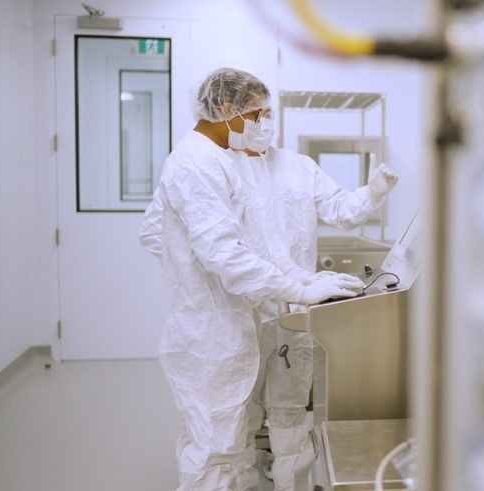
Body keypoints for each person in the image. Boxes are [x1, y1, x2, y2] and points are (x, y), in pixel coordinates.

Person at [140, 67, 398, 490]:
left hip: (253, 311)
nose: (263, 123)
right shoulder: (204, 164)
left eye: (267, 114)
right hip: (220, 324)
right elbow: (223, 252)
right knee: (219, 446)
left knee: (262, 420)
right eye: (256, 114)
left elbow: (260, 248)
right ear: (226, 109)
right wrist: (291, 287)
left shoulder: (251, 164)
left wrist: (302, 281)